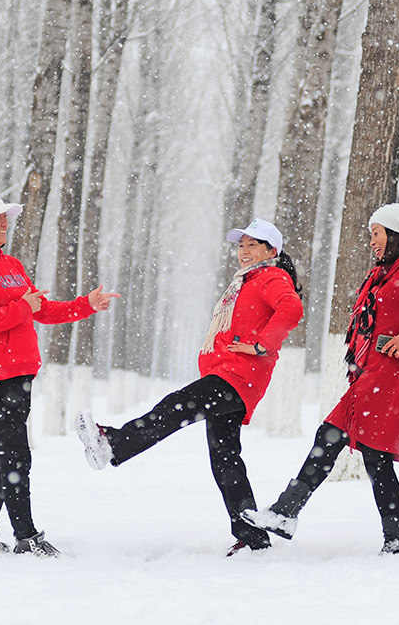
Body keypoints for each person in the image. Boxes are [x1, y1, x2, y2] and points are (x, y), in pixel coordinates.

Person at [75, 219, 303, 556]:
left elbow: (292, 308)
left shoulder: (271, 276)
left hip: (238, 376)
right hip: (231, 375)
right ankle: (253, 538)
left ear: (272, 251)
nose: (244, 251)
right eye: (241, 245)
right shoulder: (248, 280)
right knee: (225, 459)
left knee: (175, 407)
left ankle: (113, 444)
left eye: (253, 245)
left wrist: (260, 345)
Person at [241, 203, 399, 554]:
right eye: (371, 234)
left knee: (333, 434)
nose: (372, 241)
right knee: (374, 457)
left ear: (395, 232)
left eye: (376, 233)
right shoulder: (382, 273)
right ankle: (395, 540)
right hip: (373, 373)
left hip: (390, 375)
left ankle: (286, 512)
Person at [0, 190, 119, 557]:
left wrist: (85, 305)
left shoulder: (10, 265)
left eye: (5, 215)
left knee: (0, 455)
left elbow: (41, 310)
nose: (3, 221)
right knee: (15, 457)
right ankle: (26, 538)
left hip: (18, 374)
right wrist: (18, 307)